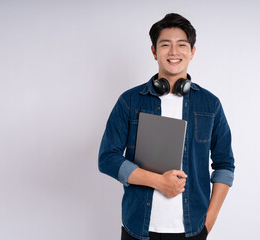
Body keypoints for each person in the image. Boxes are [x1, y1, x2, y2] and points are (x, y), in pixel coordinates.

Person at [99, 13, 235, 240]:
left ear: (192, 51)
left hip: (192, 230)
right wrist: (159, 182)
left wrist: (208, 223)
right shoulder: (130, 101)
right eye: (165, 45)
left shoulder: (210, 104)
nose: (173, 52)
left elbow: (225, 165)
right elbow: (107, 158)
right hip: (138, 228)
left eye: (181, 45)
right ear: (154, 51)